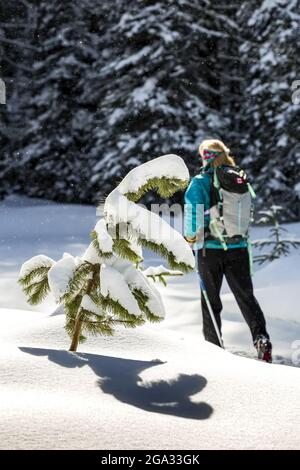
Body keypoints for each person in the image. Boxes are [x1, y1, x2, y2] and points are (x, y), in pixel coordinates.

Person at [184, 139, 272, 362]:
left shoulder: (200, 182)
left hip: (209, 251)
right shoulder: (237, 179)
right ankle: (261, 338)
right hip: (238, 248)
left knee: (211, 302)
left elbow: (194, 212)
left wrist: (191, 237)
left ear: (205, 157)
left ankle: (214, 351)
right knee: (246, 297)